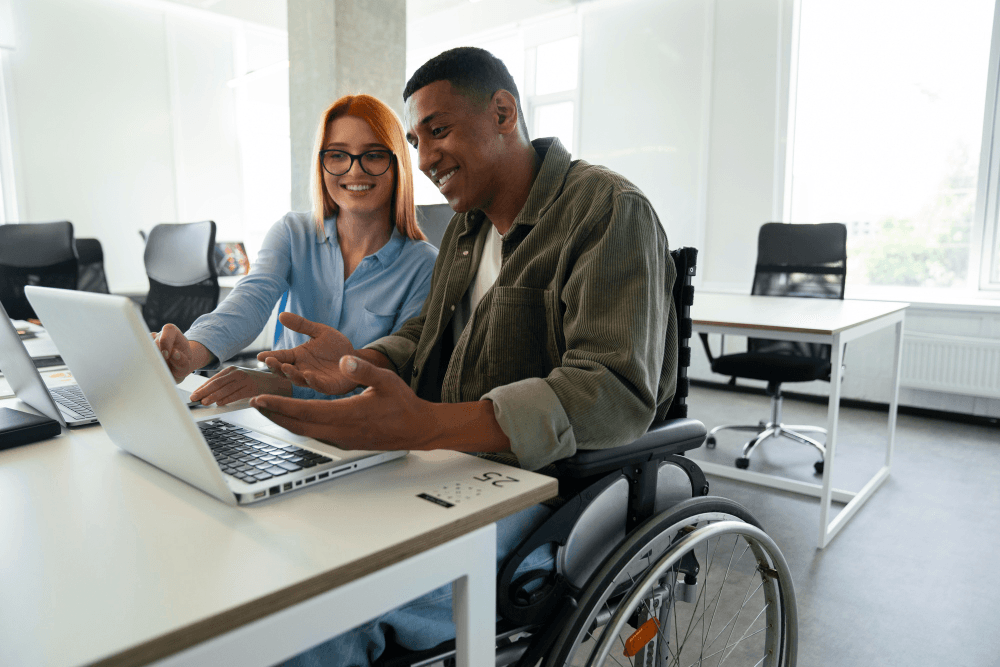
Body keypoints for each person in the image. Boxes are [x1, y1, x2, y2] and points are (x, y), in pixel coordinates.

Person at [253, 47, 678, 666]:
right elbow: (428, 333)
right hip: (454, 471)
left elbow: (610, 390)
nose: (423, 160)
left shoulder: (606, 209)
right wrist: (357, 362)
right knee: (295, 556)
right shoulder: (467, 227)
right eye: (415, 140)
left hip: (550, 496)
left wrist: (429, 427)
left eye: (439, 131)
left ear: (503, 112)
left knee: (326, 613)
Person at [153, 94, 437, 406]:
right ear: (322, 163)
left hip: (361, 429)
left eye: (373, 155)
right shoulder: (293, 233)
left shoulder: (424, 265)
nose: (355, 171)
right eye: (338, 155)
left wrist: (281, 386)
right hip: (280, 422)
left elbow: (398, 376)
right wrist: (189, 353)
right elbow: (250, 301)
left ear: (397, 164)